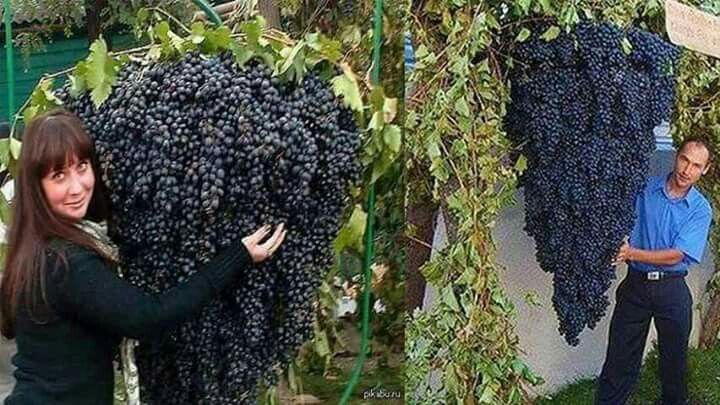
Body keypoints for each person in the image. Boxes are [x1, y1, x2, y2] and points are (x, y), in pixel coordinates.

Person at [0, 108, 287, 404]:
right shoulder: (67, 263)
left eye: (82, 166)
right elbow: (149, 316)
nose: (77, 187)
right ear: (37, 187)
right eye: (59, 175)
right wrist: (236, 256)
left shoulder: (35, 245)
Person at [596, 136, 713, 405]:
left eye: (696, 165)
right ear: (676, 156)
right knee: (620, 357)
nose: (687, 170)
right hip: (635, 286)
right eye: (684, 159)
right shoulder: (644, 189)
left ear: (705, 169)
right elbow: (617, 214)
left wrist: (632, 253)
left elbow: (678, 254)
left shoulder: (700, 209)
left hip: (672, 291)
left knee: (674, 364)